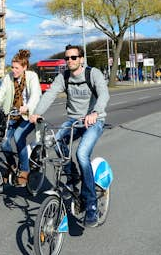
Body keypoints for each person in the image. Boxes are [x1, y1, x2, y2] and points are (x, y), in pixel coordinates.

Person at [30, 44, 109, 228]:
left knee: (82, 154)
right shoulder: (63, 76)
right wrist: (37, 113)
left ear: (81, 59)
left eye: (74, 57)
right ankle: (73, 176)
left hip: (94, 121)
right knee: (55, 142)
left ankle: (90, 205)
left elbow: (104, 94)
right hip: (74, 120)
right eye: (67, 58)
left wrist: (95, 112)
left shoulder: (93, 73)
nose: (70, 61)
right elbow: (49, 94)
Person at [0, 49, 42, 186]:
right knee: (3, 140)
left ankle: (25, 170)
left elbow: (36, 95)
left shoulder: (32, 76)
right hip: (12, 115)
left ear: (24, 67)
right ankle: (12, 166)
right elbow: (0, 94)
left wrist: (27, 107)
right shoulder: (8, 77)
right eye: (12, 67)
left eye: (17, 68)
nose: (13, 70)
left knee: (19, 136)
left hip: (29, 115)